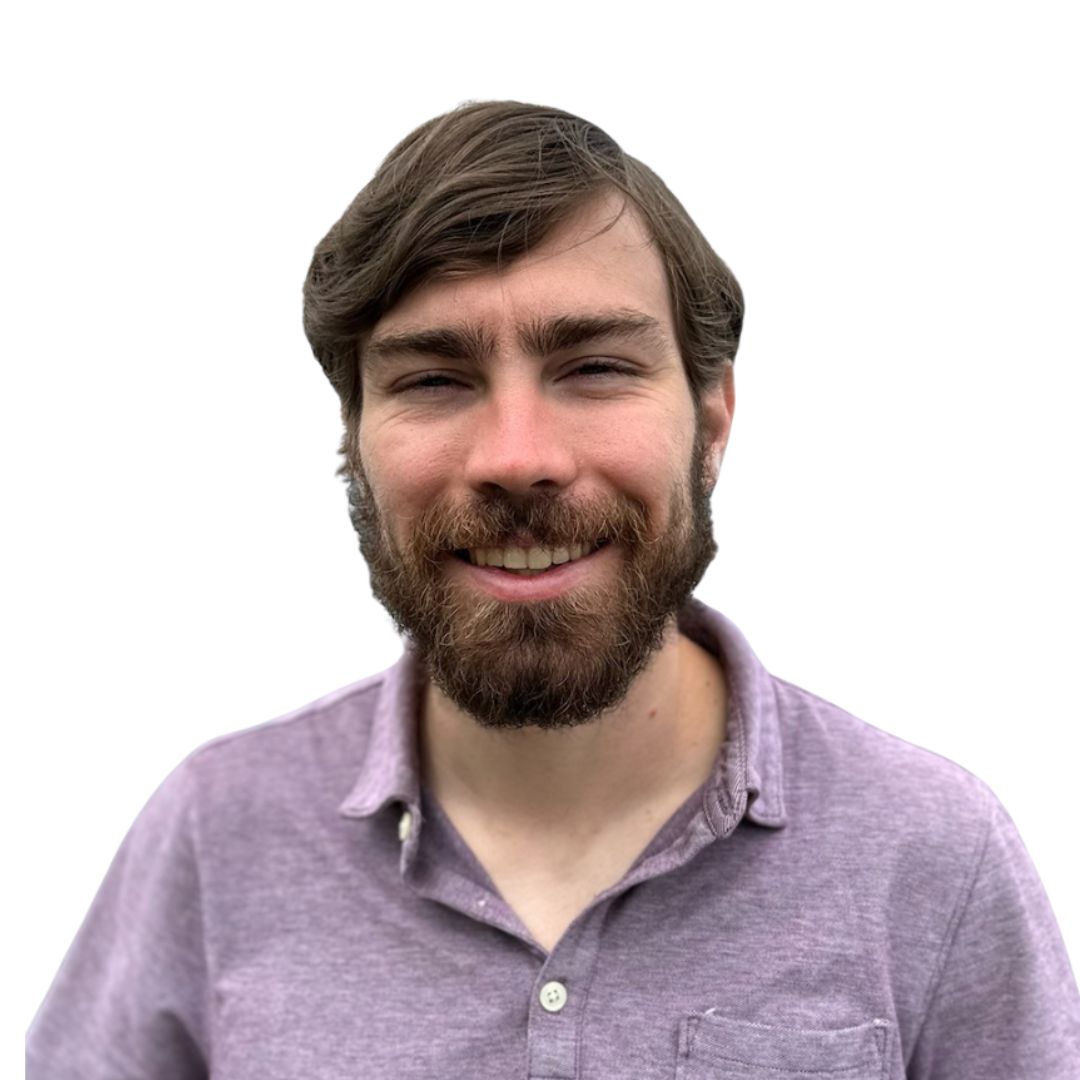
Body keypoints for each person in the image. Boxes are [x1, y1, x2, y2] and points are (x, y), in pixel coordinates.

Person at [28, 101, 1080, 1079]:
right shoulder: (216, 835)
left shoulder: (931, 855)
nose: (517, 456)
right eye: (434, 380)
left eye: (594, 368)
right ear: (354, 439)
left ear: (712, 419)